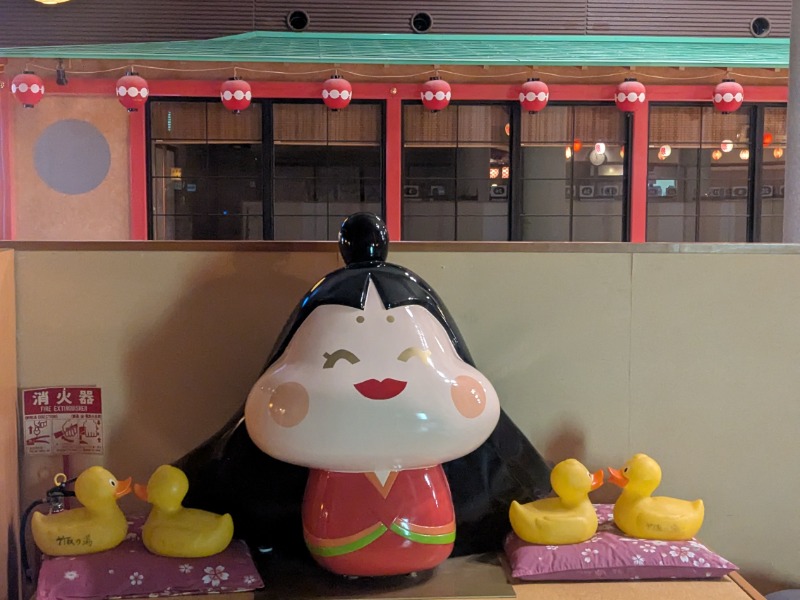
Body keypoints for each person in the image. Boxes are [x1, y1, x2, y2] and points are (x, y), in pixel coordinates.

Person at [176, 213, 551, 567]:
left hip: (426, 529)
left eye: (410, 356)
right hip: (335, 529)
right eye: (340, 360)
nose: (379, 381)